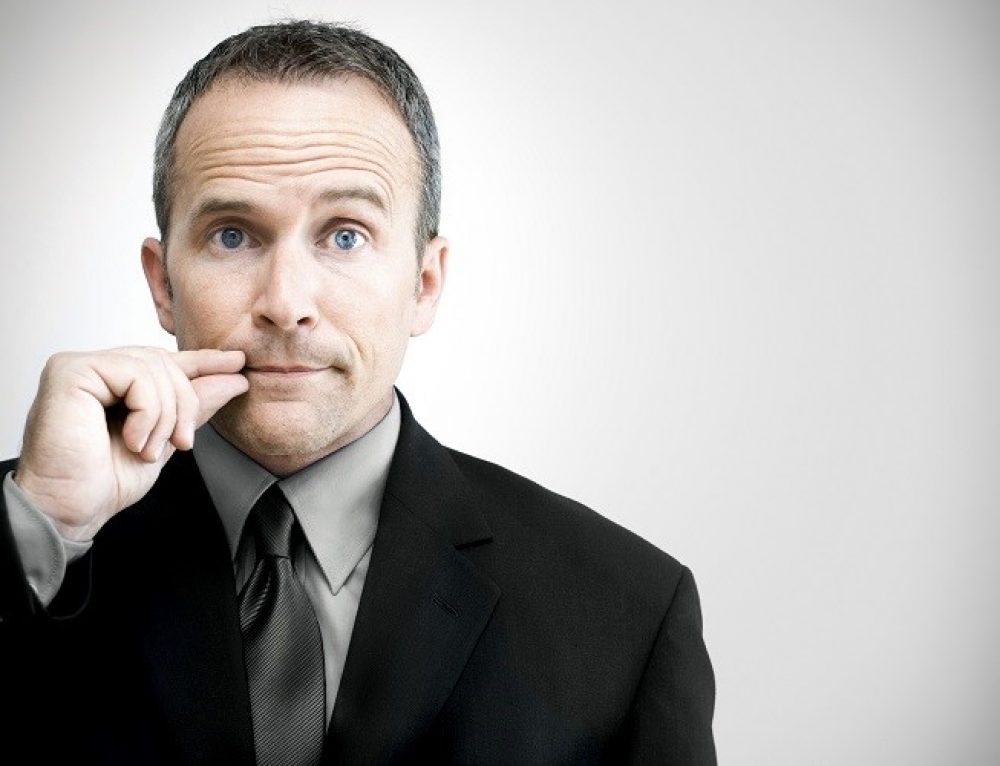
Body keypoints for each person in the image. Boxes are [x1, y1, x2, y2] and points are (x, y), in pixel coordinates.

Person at [0, 20, 716, 765]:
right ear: (162, 284)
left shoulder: (627, 612)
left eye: (345, 235)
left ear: (424, 283)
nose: (286, 304)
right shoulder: (34, 526)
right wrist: (41, 524)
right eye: (233, 235)